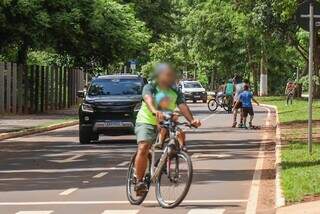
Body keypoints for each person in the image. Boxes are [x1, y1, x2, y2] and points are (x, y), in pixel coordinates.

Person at [134, 63, 201, 196]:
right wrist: (155, 111)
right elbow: (148, 99)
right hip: (147, 120)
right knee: (144, 147)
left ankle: (164, 162)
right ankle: (139, 181)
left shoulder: (175, 91)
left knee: (177, 136)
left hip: (165, 121)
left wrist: (192, 120)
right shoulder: (150, 86)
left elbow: (182, 106)